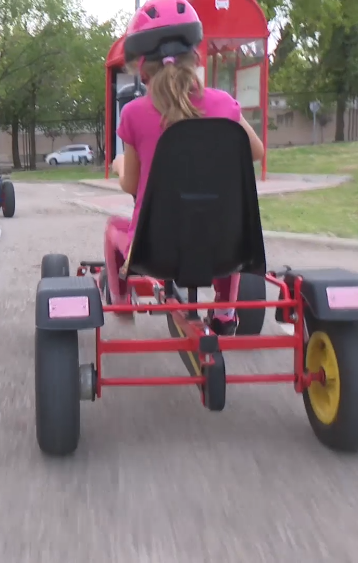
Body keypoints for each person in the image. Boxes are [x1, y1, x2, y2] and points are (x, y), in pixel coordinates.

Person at [106, 0, 265, 334]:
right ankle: (225, 313)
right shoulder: (223, 103)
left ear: (142, 70)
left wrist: (121, 165)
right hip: (225, 249)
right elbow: (256, 151)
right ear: (195, 58)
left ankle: (120, 303)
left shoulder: (134, 113)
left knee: (112, 230)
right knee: (224, 222)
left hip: (155, 250)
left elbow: (132, 184)